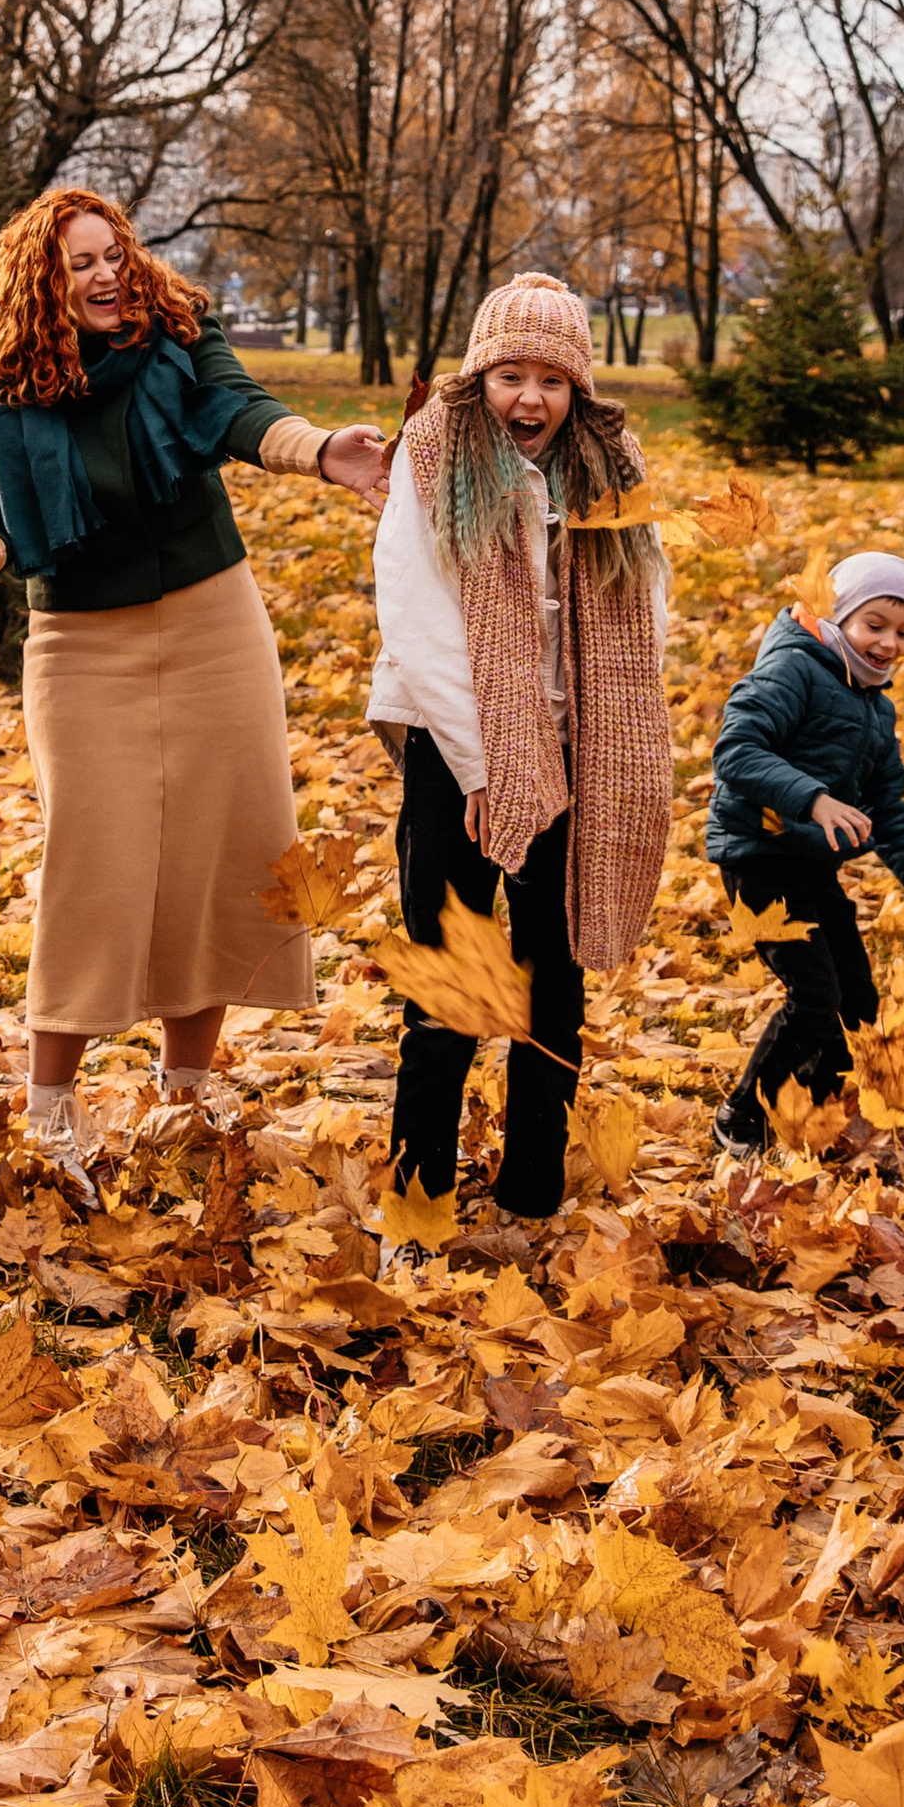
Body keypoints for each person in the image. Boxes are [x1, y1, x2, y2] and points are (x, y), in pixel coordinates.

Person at [0, 188, 388, 1183]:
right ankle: (50, 1111)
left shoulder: (177, 337)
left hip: (213, 622)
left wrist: (321, 452)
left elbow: (241, 412)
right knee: (96, 863)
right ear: (43, 282)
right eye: (81, 262)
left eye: (113, 252)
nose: (108, 273)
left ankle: (184, 1098)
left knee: (221, 848)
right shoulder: (1, 383)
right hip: (80, 643)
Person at [369, 274, 672, 1223]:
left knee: (553, 978)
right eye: (511, 376)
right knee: (452, 978)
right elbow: (416, 618)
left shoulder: (609, 463)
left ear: (577, 387)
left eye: (551, 379)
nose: (530, 399)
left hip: (575, 744)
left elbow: (645, 601)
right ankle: (419, 1200)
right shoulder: (434, 453)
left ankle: (532, 1195)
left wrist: (612, 738)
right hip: (451, 742)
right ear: (480, 377)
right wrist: (482, 764)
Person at [705, 548, 904, 1155]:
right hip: (759, 855)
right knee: (815, 999)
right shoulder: (792, 668)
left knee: (856, 1004)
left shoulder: (876, 709)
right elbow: (736, 751)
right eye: (874, 625)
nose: (889, 643)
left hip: (811, 867)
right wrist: (814, 800)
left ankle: (810, 1114)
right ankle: (742, 1116)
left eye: (903, 632)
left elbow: (890, 815)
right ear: (838, 615)